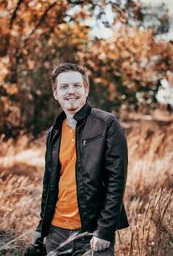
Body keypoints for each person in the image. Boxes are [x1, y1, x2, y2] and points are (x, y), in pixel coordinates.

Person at [25, 63, 129, 256]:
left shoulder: (107, 124)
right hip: (56, 233)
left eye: (76, 85)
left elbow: (117, 181)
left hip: (93, 234)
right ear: (56, 93)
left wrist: (104, 231)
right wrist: (42, 227)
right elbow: (49, 184)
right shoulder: (53, 133)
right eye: (64, 87)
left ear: (86, 90)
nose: (70, 91)